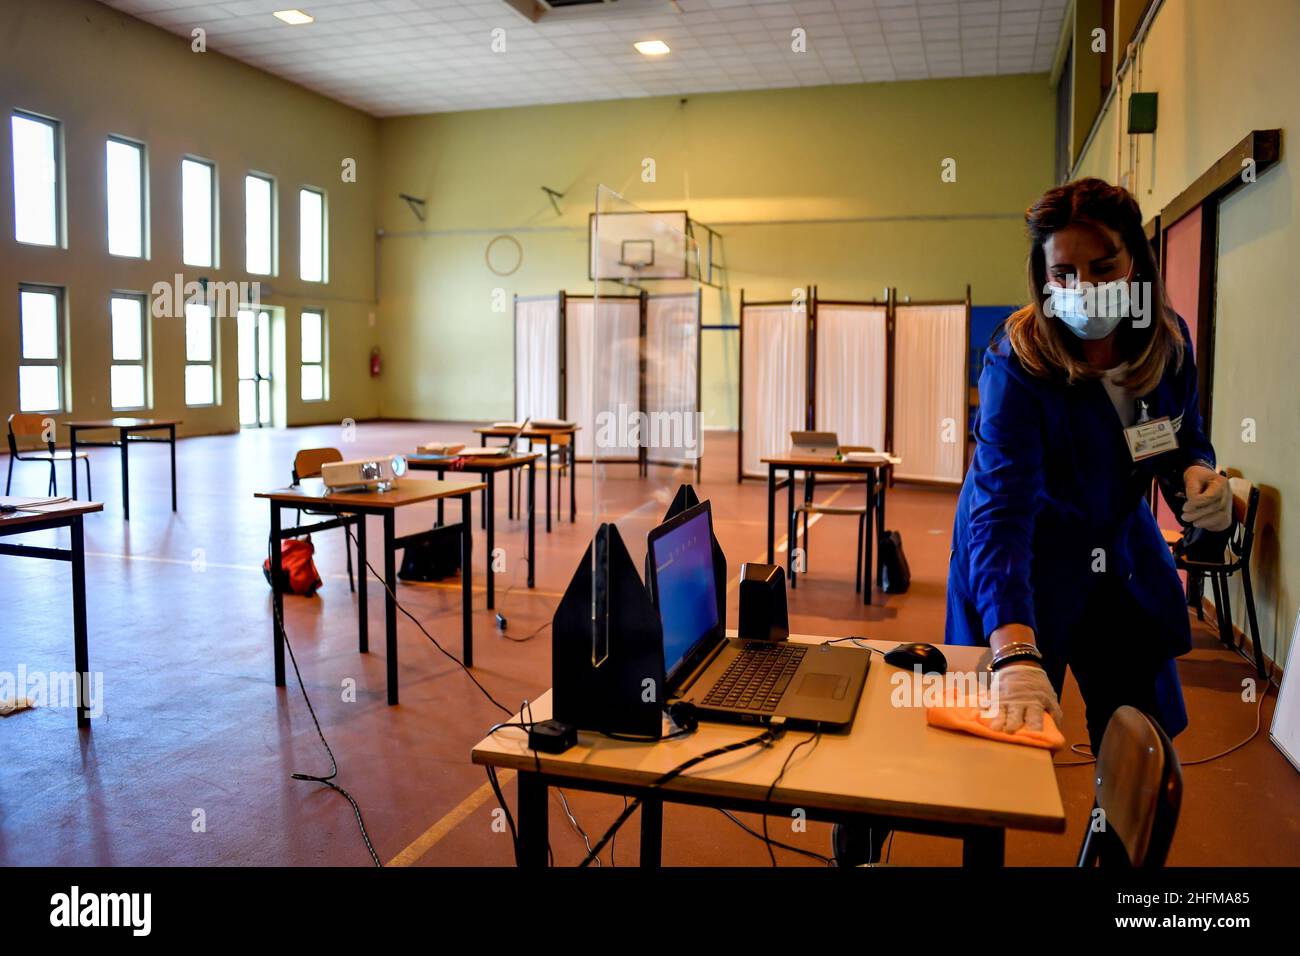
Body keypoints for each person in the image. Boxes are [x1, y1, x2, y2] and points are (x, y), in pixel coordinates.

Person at [832, 178, 1232, 867]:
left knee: (1138, 733)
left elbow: (1174, 435)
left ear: (1134, 258)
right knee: (995, 746)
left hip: (1116, 552)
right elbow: (1001, 512)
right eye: (1063, 273)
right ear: (1042, 279)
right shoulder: (1019, 361)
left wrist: (1197, 473)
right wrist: (1015, 648)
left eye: (1103, 266)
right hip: (1017, 559)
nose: (1085, 286)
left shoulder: (1166, 345)